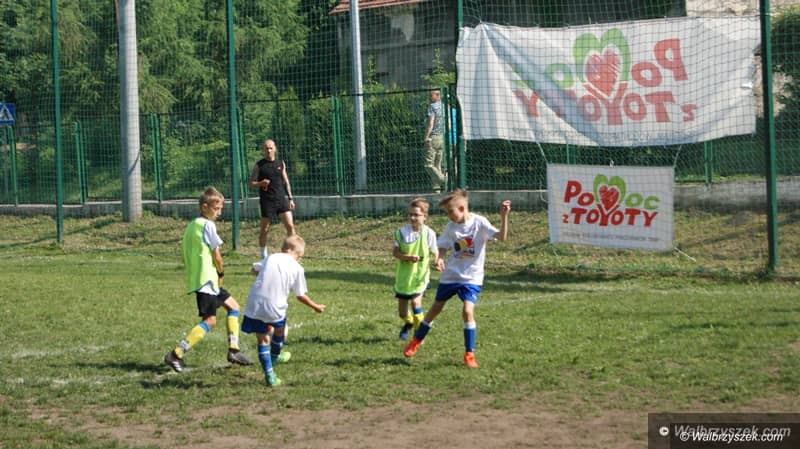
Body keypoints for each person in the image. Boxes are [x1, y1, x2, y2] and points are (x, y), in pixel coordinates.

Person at [403, 189, 511, 368]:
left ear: (461, 208)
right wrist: (439, 258)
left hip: (472, 278)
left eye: (450, 211)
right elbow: (443, 246)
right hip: (451, 275)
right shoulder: (450, 227)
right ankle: (416, 341)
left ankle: (469, 354)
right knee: (435, 309)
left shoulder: (480, 222)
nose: (448, 215)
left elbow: (502, 237)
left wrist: (504, 217)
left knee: (468, 311)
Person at [164, 186, 253, 372]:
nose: (219, 212)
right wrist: (221, 272)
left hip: (203, 279)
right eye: (216, 208)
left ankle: (234, 350)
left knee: (234, 307)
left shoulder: (191, 225)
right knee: (210, 321)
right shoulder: (208, 225)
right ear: (205, 207)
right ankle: (176, 354)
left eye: (221, 209)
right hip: (208, 281)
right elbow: (216, 255)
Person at [241, 235, 325, 387]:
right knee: (280, 330)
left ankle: (269, 374)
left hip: (255, 303)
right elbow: (300, 295)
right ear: (299, 255)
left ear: (283, 249)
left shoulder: (271, 257)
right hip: (275, 306)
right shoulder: (297, 268)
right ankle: (275, 356)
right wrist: (315, 306)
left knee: (263, 340)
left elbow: (253, 269)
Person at [392, 198, 439, 341]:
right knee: (402, 313)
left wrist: (438, 261)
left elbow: (435, 252)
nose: (412, 217)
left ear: (425, 217)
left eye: (416, 215)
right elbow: (395, 253)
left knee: (415, 303)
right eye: (410, 214)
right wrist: (407, 257)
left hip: (420, 275)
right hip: (404, 277)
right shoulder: (401, 233)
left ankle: (419, 335)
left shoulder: (429, 233)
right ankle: (409, 323)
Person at [249, 139, 296, 259]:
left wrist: (290, 198)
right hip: (267, 201)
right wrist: (261, 183)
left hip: (281, 199)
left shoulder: (281, 163)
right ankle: (263, 256)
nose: (269, 150)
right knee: (264, 229)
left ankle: (293, 254)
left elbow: (286, 182)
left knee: (290, 226)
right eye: (266, 148)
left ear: (275, 148)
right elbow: (251, 183)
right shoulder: (259, 165)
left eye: (270, 148)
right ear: (263, 150)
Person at [423, 89, 446, 192]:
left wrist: (426, 137)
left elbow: (430, 123)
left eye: (430, 95)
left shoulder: (432, 107)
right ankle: (437, 189)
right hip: (442, 137)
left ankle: (443, 179)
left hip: (433, 137)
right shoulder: (444, 106)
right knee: (437, 165)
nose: (429, 97)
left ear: (437, 95)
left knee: (428, 165)